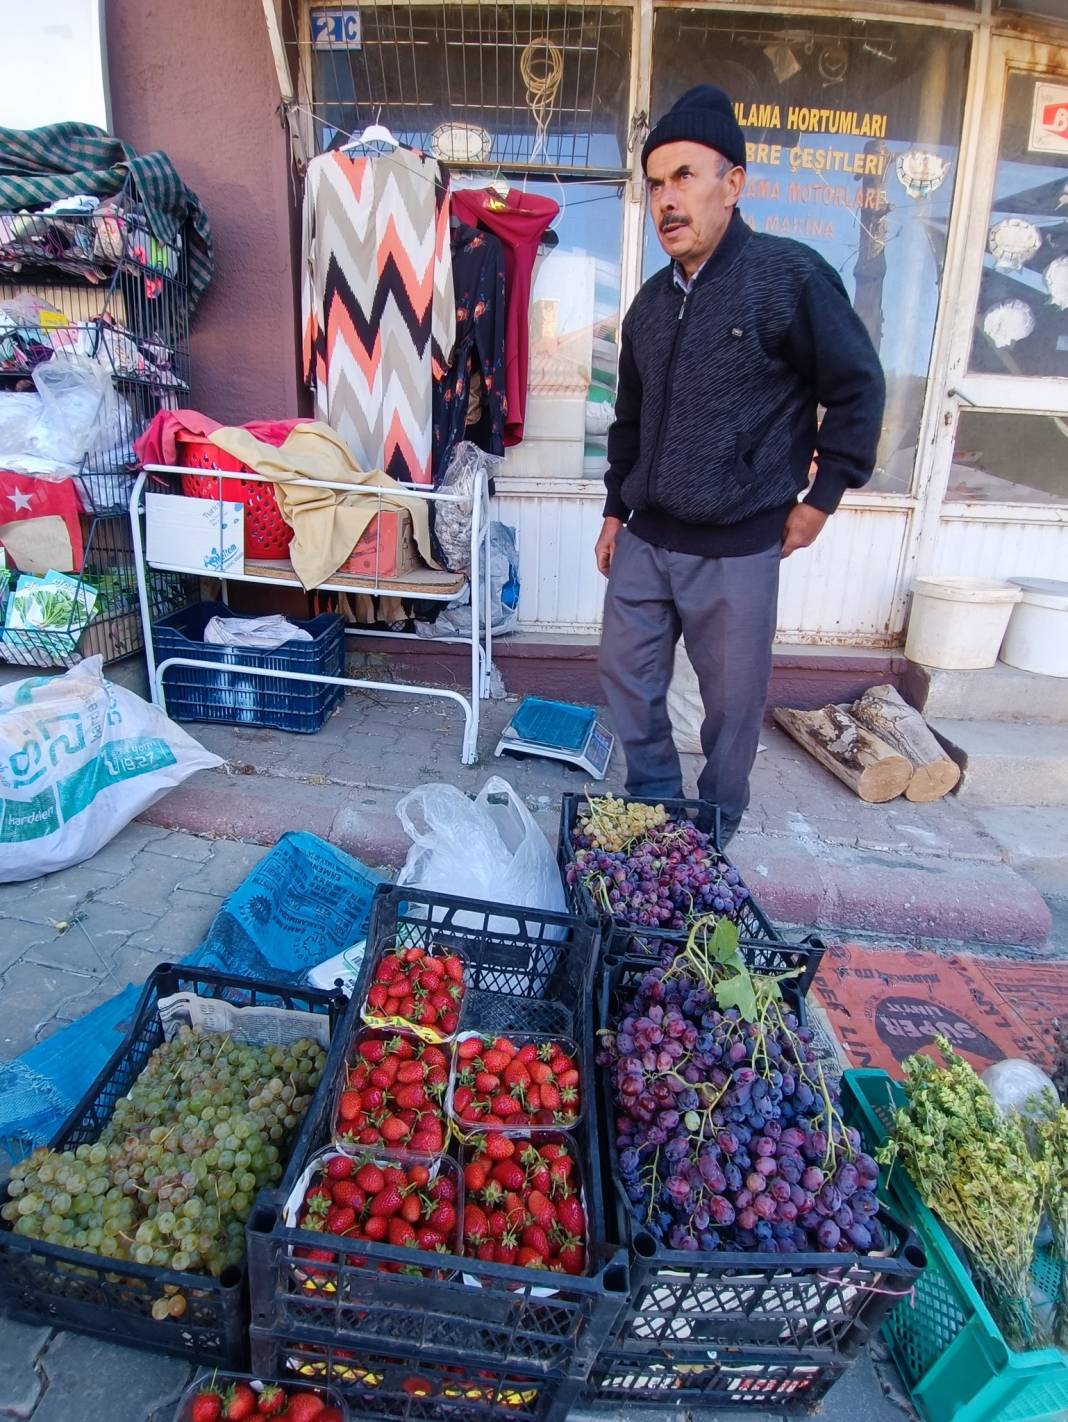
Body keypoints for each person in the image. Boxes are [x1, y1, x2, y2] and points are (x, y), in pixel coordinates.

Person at [596, 84, 885, 845]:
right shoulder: (650, 306)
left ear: (735, 183)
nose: (667, 199)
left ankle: (712, 836)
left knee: (730, 710)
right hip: (646, 539)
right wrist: (613, 511)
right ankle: (658, 821)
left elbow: (856, 387)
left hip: (737, 543)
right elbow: (629, 420)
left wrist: (823, 496)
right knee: (628, 683)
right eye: (655, 183)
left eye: (685, 176)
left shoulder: (789, 279)